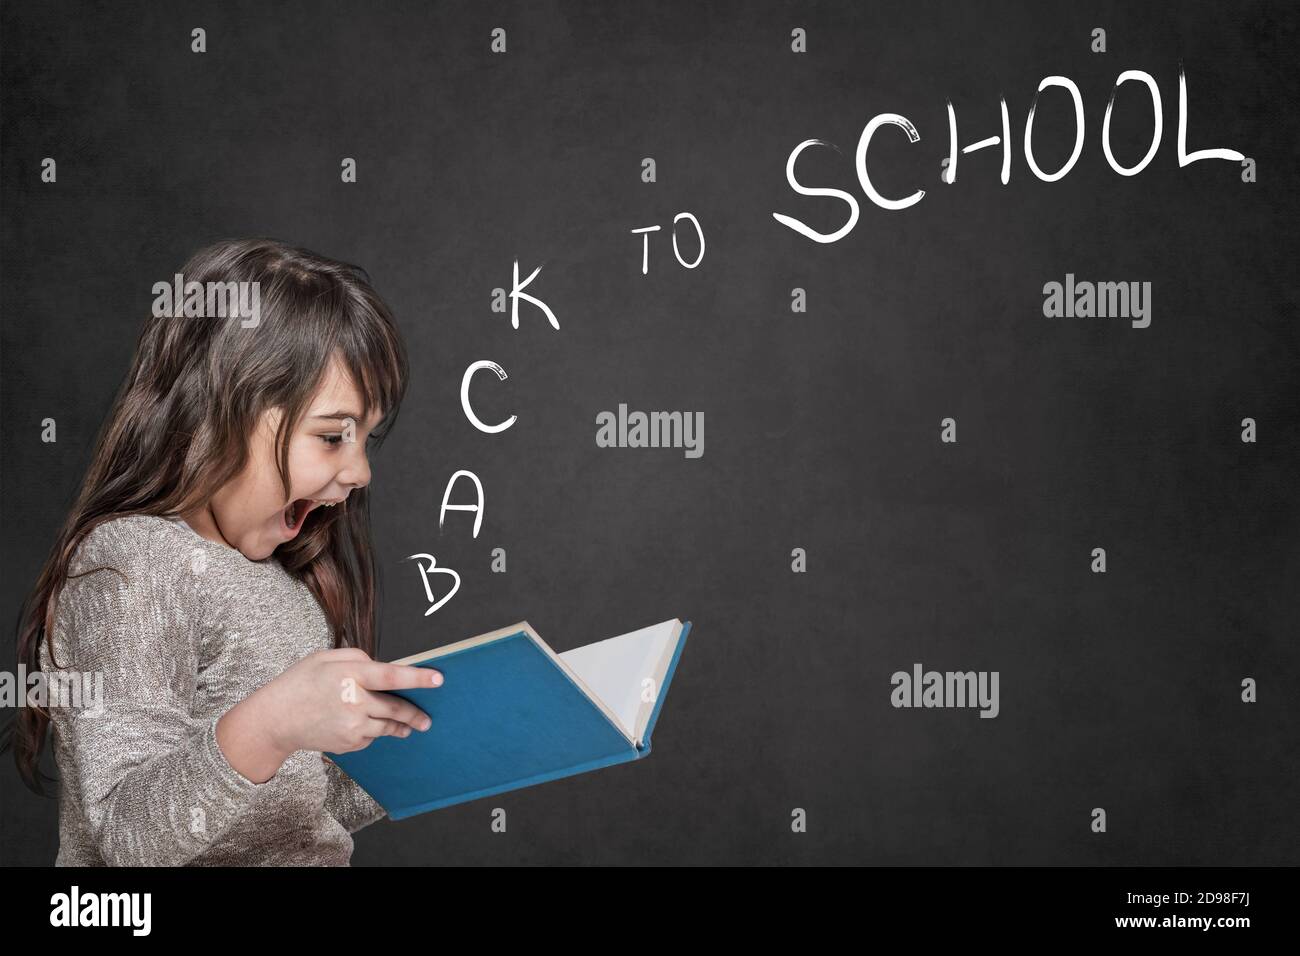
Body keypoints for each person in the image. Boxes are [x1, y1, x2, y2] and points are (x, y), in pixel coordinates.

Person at [3, 237, 442, 865]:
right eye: (332, 436)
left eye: (366, 439)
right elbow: (128, 839)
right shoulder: (133, 567)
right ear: (221, 410)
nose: (360, 472)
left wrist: (424, 741)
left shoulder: (284, 583)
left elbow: (291, 812)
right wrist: (271, 724)